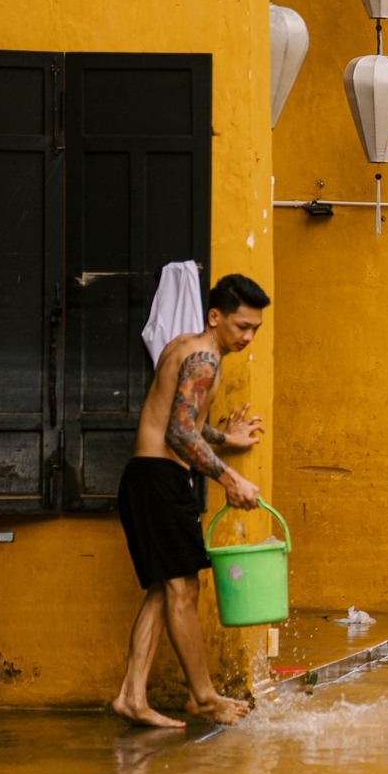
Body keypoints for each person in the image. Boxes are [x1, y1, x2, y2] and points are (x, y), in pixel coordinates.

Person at [112, 274, 269, 729]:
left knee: (165, 590)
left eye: (255, 328)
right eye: (241, 326)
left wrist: (225, 436)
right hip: (160, 482)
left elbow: (184, 417)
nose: (247, 336)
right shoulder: (205, 360)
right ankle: (202, 697)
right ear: (215, 317)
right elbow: (179, 432)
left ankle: (131, 696)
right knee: (184, 590)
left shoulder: (184, 346)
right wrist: (230, 478)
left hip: (146, 479)